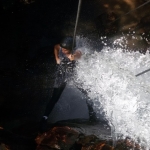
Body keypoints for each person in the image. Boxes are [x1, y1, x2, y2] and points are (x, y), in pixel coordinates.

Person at [39, 36, 97, 133]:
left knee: (87, 93)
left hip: (73, 75)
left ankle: (92, 114)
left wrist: (73, 57)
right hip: (61, 74)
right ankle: (44, 118)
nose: (64, 51)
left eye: (66, 50)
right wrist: (57, 57)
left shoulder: (76, 52)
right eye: (64, 49)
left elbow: (79, 55)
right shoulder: (60, 47)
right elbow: (56, 46)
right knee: (55, 97)